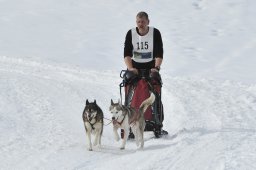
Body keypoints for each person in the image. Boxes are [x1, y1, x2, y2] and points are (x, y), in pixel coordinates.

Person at [123, 11, 168, 138]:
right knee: (129, 88)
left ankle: (157, 124)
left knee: (155, 90)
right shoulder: (130, 33)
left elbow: (159, 53)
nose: (140, 24)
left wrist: (156, 68)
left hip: (151, 68)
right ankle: (128, 125)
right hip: (135, 68)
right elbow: (127, 54)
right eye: (138, 22)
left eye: (143, 22)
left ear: (148, 22)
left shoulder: (155, 33)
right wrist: (131, 68)